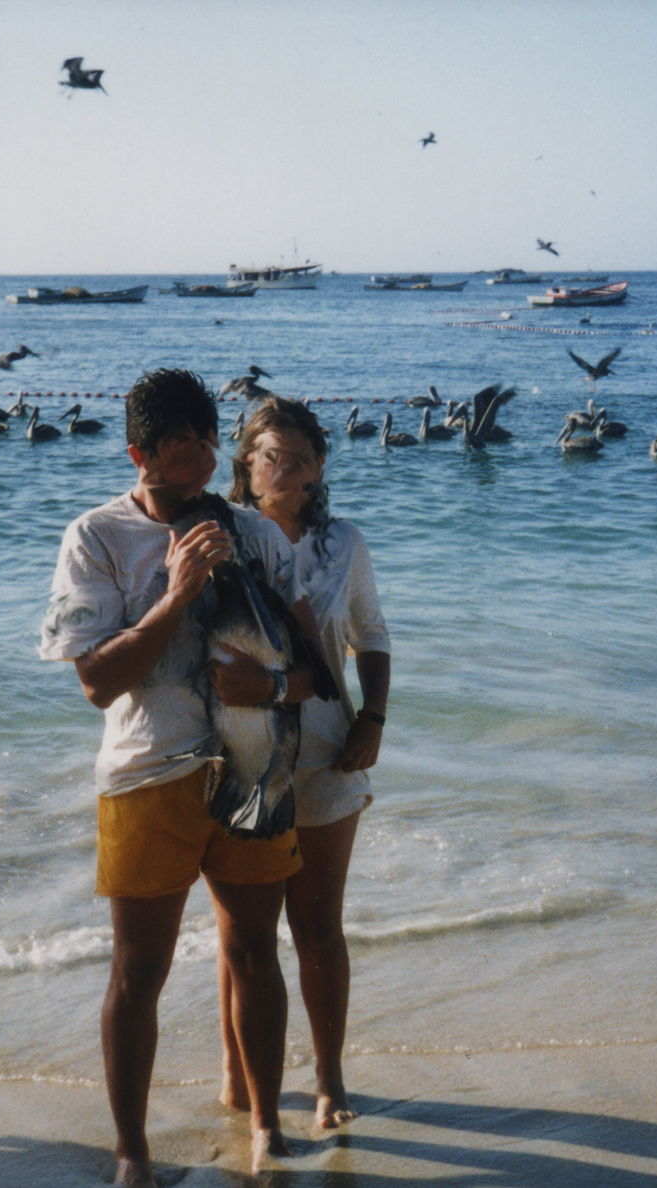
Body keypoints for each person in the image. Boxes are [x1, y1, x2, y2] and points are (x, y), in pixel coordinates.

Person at [38, 368, 327, 1184]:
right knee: (138, 971)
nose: (199, 462)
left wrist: (268, 688)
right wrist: (176, 593)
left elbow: (314, 674)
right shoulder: (95, 537)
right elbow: (96, 682)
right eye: (178, 448)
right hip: (146, 773)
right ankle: (131, 1153)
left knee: (255, 954)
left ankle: (268, 1124)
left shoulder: (259, 534)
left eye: (207, 443)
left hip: (254, 768)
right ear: (138, 453)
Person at [222, 397, 390, 1129]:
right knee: (242, 936)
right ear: (245, 460)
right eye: (268, 454)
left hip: (325, 747)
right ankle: (238, 1074)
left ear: (319, 467)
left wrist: (374, 718)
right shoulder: (221, 534)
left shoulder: (341, 543)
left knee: (317, 927)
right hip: (237, 751)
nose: (281, 468)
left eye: (296, 457)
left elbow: (371, 634)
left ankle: (327, 1077)